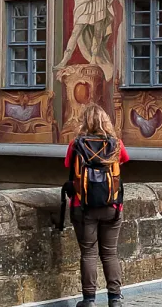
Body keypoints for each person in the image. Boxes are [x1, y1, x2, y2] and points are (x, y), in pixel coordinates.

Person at [63, 104, 130, 306]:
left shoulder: (76, 144)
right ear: (105, 121)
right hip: (112, 206)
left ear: (84, 121)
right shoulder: (116, 144)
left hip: (83, 206)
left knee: (89, 254)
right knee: (110, 253)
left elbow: (68, 165)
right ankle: (115, 299)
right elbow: (125, 160)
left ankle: (89, 300)